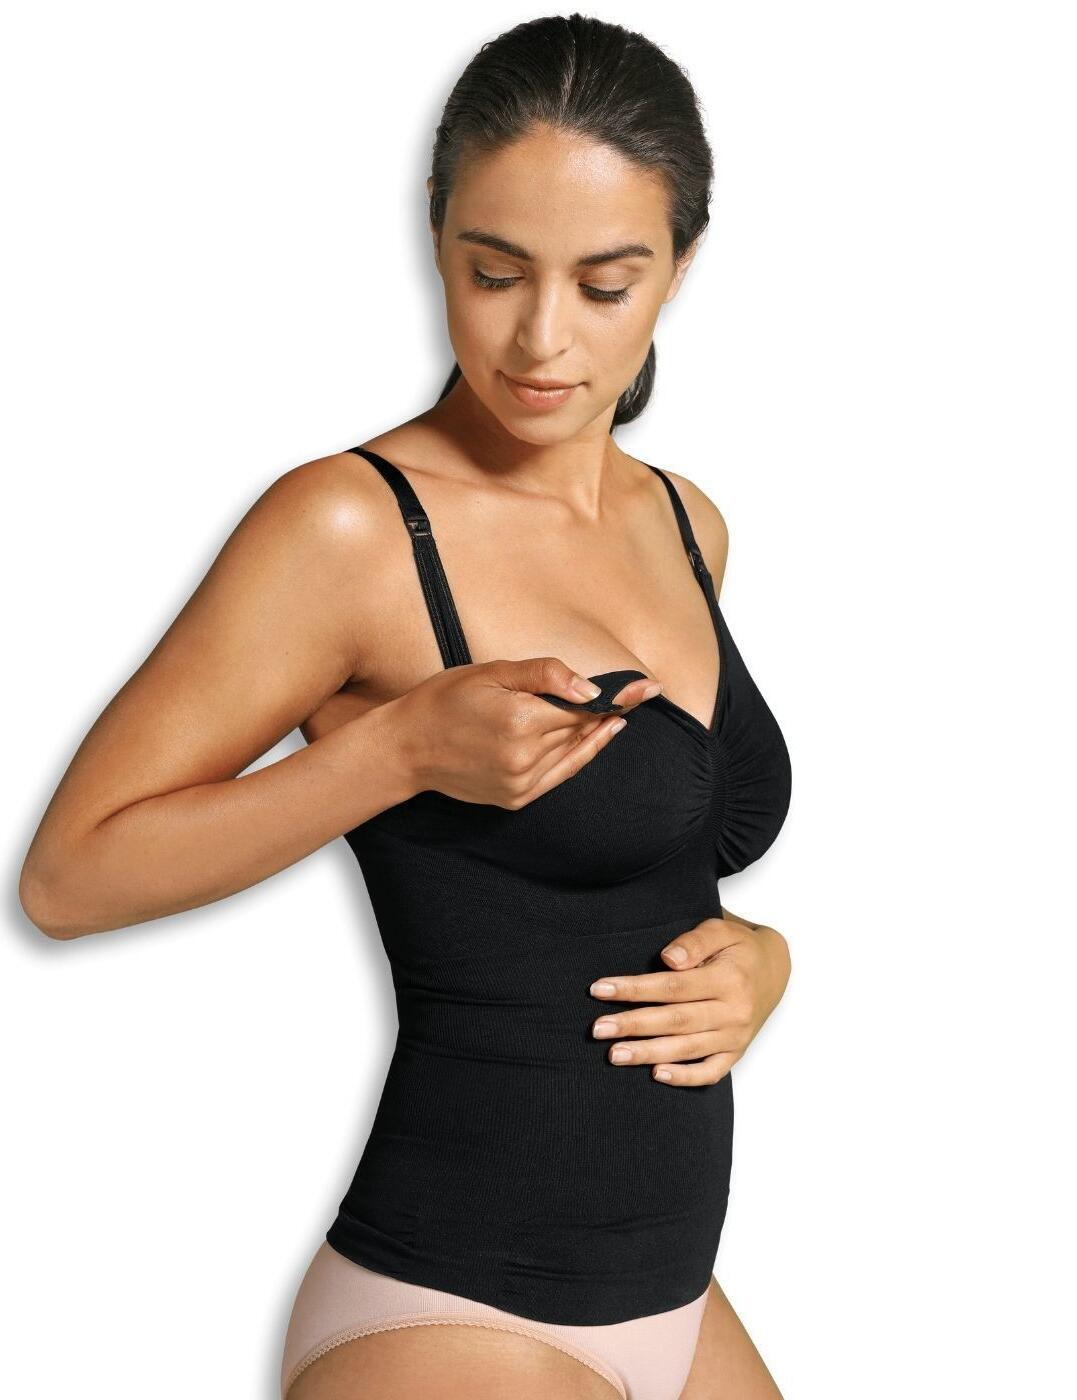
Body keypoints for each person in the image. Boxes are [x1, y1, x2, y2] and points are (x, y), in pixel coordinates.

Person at [20, 14, 793, 1400]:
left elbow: (632, 861)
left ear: (680, 267)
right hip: (452, 1304)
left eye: (604, 284)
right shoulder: (349, 528)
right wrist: (392, 751)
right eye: (494, 273)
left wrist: (764, 962)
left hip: (675, 1293)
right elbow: (69, 878)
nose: (540, 337)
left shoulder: (687, 524)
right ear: (435, 235)